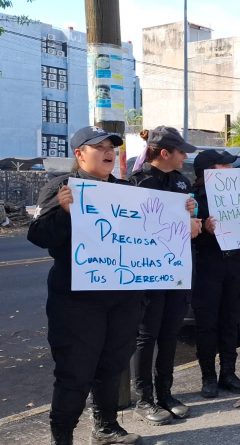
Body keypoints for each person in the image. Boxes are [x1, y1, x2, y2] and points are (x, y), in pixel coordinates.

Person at [28, 127, 149, 444]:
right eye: (100, 146)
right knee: (75, 371)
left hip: (122, 298)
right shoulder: (60, 189)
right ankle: (63, 436)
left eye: (112, 146)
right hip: (77, 301)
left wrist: (181, 215)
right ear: (79, 153)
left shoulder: (127, 190)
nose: (109, 151)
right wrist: (65, 212)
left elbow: (148, 235)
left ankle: (105, 426)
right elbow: (40, 236)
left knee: (112, 364)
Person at [128, 127, 200, 425]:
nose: (185, 156)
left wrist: (192, 217)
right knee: (147, 336)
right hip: (148, 273)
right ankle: (143, 399)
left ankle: (166, 393)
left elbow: (186, 223)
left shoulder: (182, 182)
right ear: (165, 152)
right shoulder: (137, 183)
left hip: (177, 271)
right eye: (181, 151)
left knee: (170, 334)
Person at [191, 150, 240, 398]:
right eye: (224, 165)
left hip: (235, 266)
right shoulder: (193, 199)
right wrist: (203, 228)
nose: (231, 170)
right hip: (208, 268)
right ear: (209, 171)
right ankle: (208, 376)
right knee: (207, 325)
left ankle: (228, 371)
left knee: (230, 321)